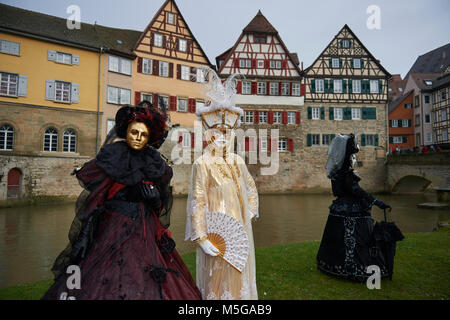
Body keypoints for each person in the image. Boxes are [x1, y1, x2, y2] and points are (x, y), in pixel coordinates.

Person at [42, 102, 201, 300]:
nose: (138, 138)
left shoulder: (155, 163)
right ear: (126, 131)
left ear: (150, 138)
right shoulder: (114, 158)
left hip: (145, 229)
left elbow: (160, 204)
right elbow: (96, 200)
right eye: (134, 132)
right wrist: (84, 236)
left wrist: (154, 199)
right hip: (112, 226)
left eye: (143, 135)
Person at [185, 69, 259, 300]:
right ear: (209, 134)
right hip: (216, 229)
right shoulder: (203, 163)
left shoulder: (237, 161)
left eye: (227, 132)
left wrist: (251, 210)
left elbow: (250, 187)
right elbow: (197, 201)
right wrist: (201, 237)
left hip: (239, 226)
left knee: (238, 275)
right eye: (218, 132)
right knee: (216, 277)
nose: (223, 137)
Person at [316, 134, 393, 282]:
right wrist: (376, 202)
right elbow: (357, 191)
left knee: (337, 238)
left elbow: (340, 191)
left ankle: (331, 264)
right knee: (357, 239)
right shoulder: (347, 173)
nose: (353, 157)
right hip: (351, 209)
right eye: (352, 154)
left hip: (339, 208)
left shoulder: (336, 171)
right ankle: (353, 268)